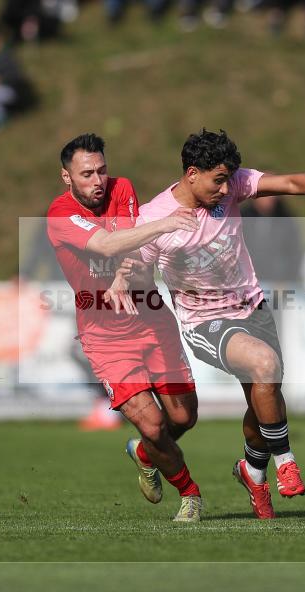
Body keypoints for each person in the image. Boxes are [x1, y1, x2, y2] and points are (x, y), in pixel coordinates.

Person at [131, 129, 305, 519]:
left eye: (230, 178)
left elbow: (291, 183)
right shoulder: (153, 217)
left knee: (263, 402)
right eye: (218, 180)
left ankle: (252, 471)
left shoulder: (231, 185)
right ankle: (286, 461)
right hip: (204, 322)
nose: (226, 188)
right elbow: (135, 273)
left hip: (253, 308)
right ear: (192, 173)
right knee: (264, 365)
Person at [46, 133, 206, 522]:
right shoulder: (59, 214)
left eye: (102, 170)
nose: (98, 180)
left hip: (151, 318)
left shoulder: (123, 189)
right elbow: (106, 245)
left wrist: (123, 276)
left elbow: (133, 248)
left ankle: (144, 453)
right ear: (67, 177)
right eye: (86, 174)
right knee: (152, 422)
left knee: (184, 417)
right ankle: (190, 493)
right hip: (105, 336)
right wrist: (166, 223)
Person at [239, 195, 302, 284]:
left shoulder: (286, 218)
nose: (271, 198)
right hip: (247, 283)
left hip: (278, 284)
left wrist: (287, 281)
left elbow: (294, 254)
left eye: (273, 194)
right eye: (266, 194)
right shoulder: (241, 217)